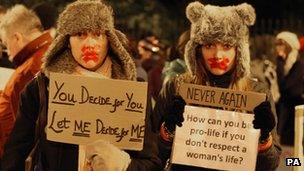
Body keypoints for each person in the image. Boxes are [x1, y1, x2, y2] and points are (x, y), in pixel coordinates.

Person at [1, 1, 161, 170]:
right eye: (80, 34)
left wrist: (124, 165)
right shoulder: (41, 88)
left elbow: (151, 164)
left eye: (97, 34)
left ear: (109, 39)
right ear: (67, 41)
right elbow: (15, 154)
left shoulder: (132, 93)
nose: (90, 44)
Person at [152, 2, 281, 171]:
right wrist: (166, 133)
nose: (218, 55)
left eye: (227, 46)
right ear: (197, 50)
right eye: (209, 45)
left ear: (239, 51)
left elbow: (271, 165)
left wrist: (264, 140)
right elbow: (152, 157)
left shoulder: (257, 93)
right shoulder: (176, 87)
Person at [0, 4, 52, 157]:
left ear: (17, 37)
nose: (7, 52)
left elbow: (24, 130)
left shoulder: (32, 68)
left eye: (5, 43)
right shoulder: (43, 54)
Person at [275, 31, 304, 146]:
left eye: (281, 44)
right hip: (285, 110)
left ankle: (294, 164)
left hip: (294, 111)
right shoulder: (285, 64)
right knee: (286, 152)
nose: (278, 47)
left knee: (293, 151)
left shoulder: (299, 65)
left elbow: (283, 86)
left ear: (289, 46)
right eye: (277, 44)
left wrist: (280, 61)